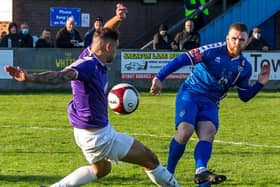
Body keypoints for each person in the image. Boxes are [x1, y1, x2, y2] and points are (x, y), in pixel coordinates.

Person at [5, 4, 181, 187]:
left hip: (83, 132)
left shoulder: (92, 52)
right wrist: (30, 77)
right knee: (150, 160)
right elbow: (59, 76)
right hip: (99, 136)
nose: (115, 51)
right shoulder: (86, 65)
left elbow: (106, 32)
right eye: (115, 48)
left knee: (102, 169)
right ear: (107, 47)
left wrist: (118, 19)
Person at [150, 22, 270, 186]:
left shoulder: (245, 67)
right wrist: (159, 78)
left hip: (211, 102)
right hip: (191, 93)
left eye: (241, 40)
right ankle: (168, 173)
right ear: (227, 38)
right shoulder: (212, 50)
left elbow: (244, 96)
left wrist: (260, 83)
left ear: (247, 41)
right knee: (185, 131)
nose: (237, 43)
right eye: (234, 38)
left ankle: (201, 173)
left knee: (208, 132)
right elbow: (183, 59)